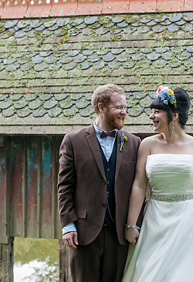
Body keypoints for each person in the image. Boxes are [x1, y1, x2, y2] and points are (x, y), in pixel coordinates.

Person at [122, 86, 193, 282]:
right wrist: (131, 225)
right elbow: (139, 185)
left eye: (157, 111)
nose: (151, 116)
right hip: (156, 221)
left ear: (173, 116)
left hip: (191, 221)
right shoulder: (147, 145)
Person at [57, 84, 142, 282]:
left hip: (119, 234)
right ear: (102, 107)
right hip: (84, 233)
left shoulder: (134, 143)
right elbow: (64, 187)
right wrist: (68, 225)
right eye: (119, 107)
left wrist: (135, 224)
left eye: (125, 108)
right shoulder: (73, 141)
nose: (124, 112)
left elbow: (139, 188)